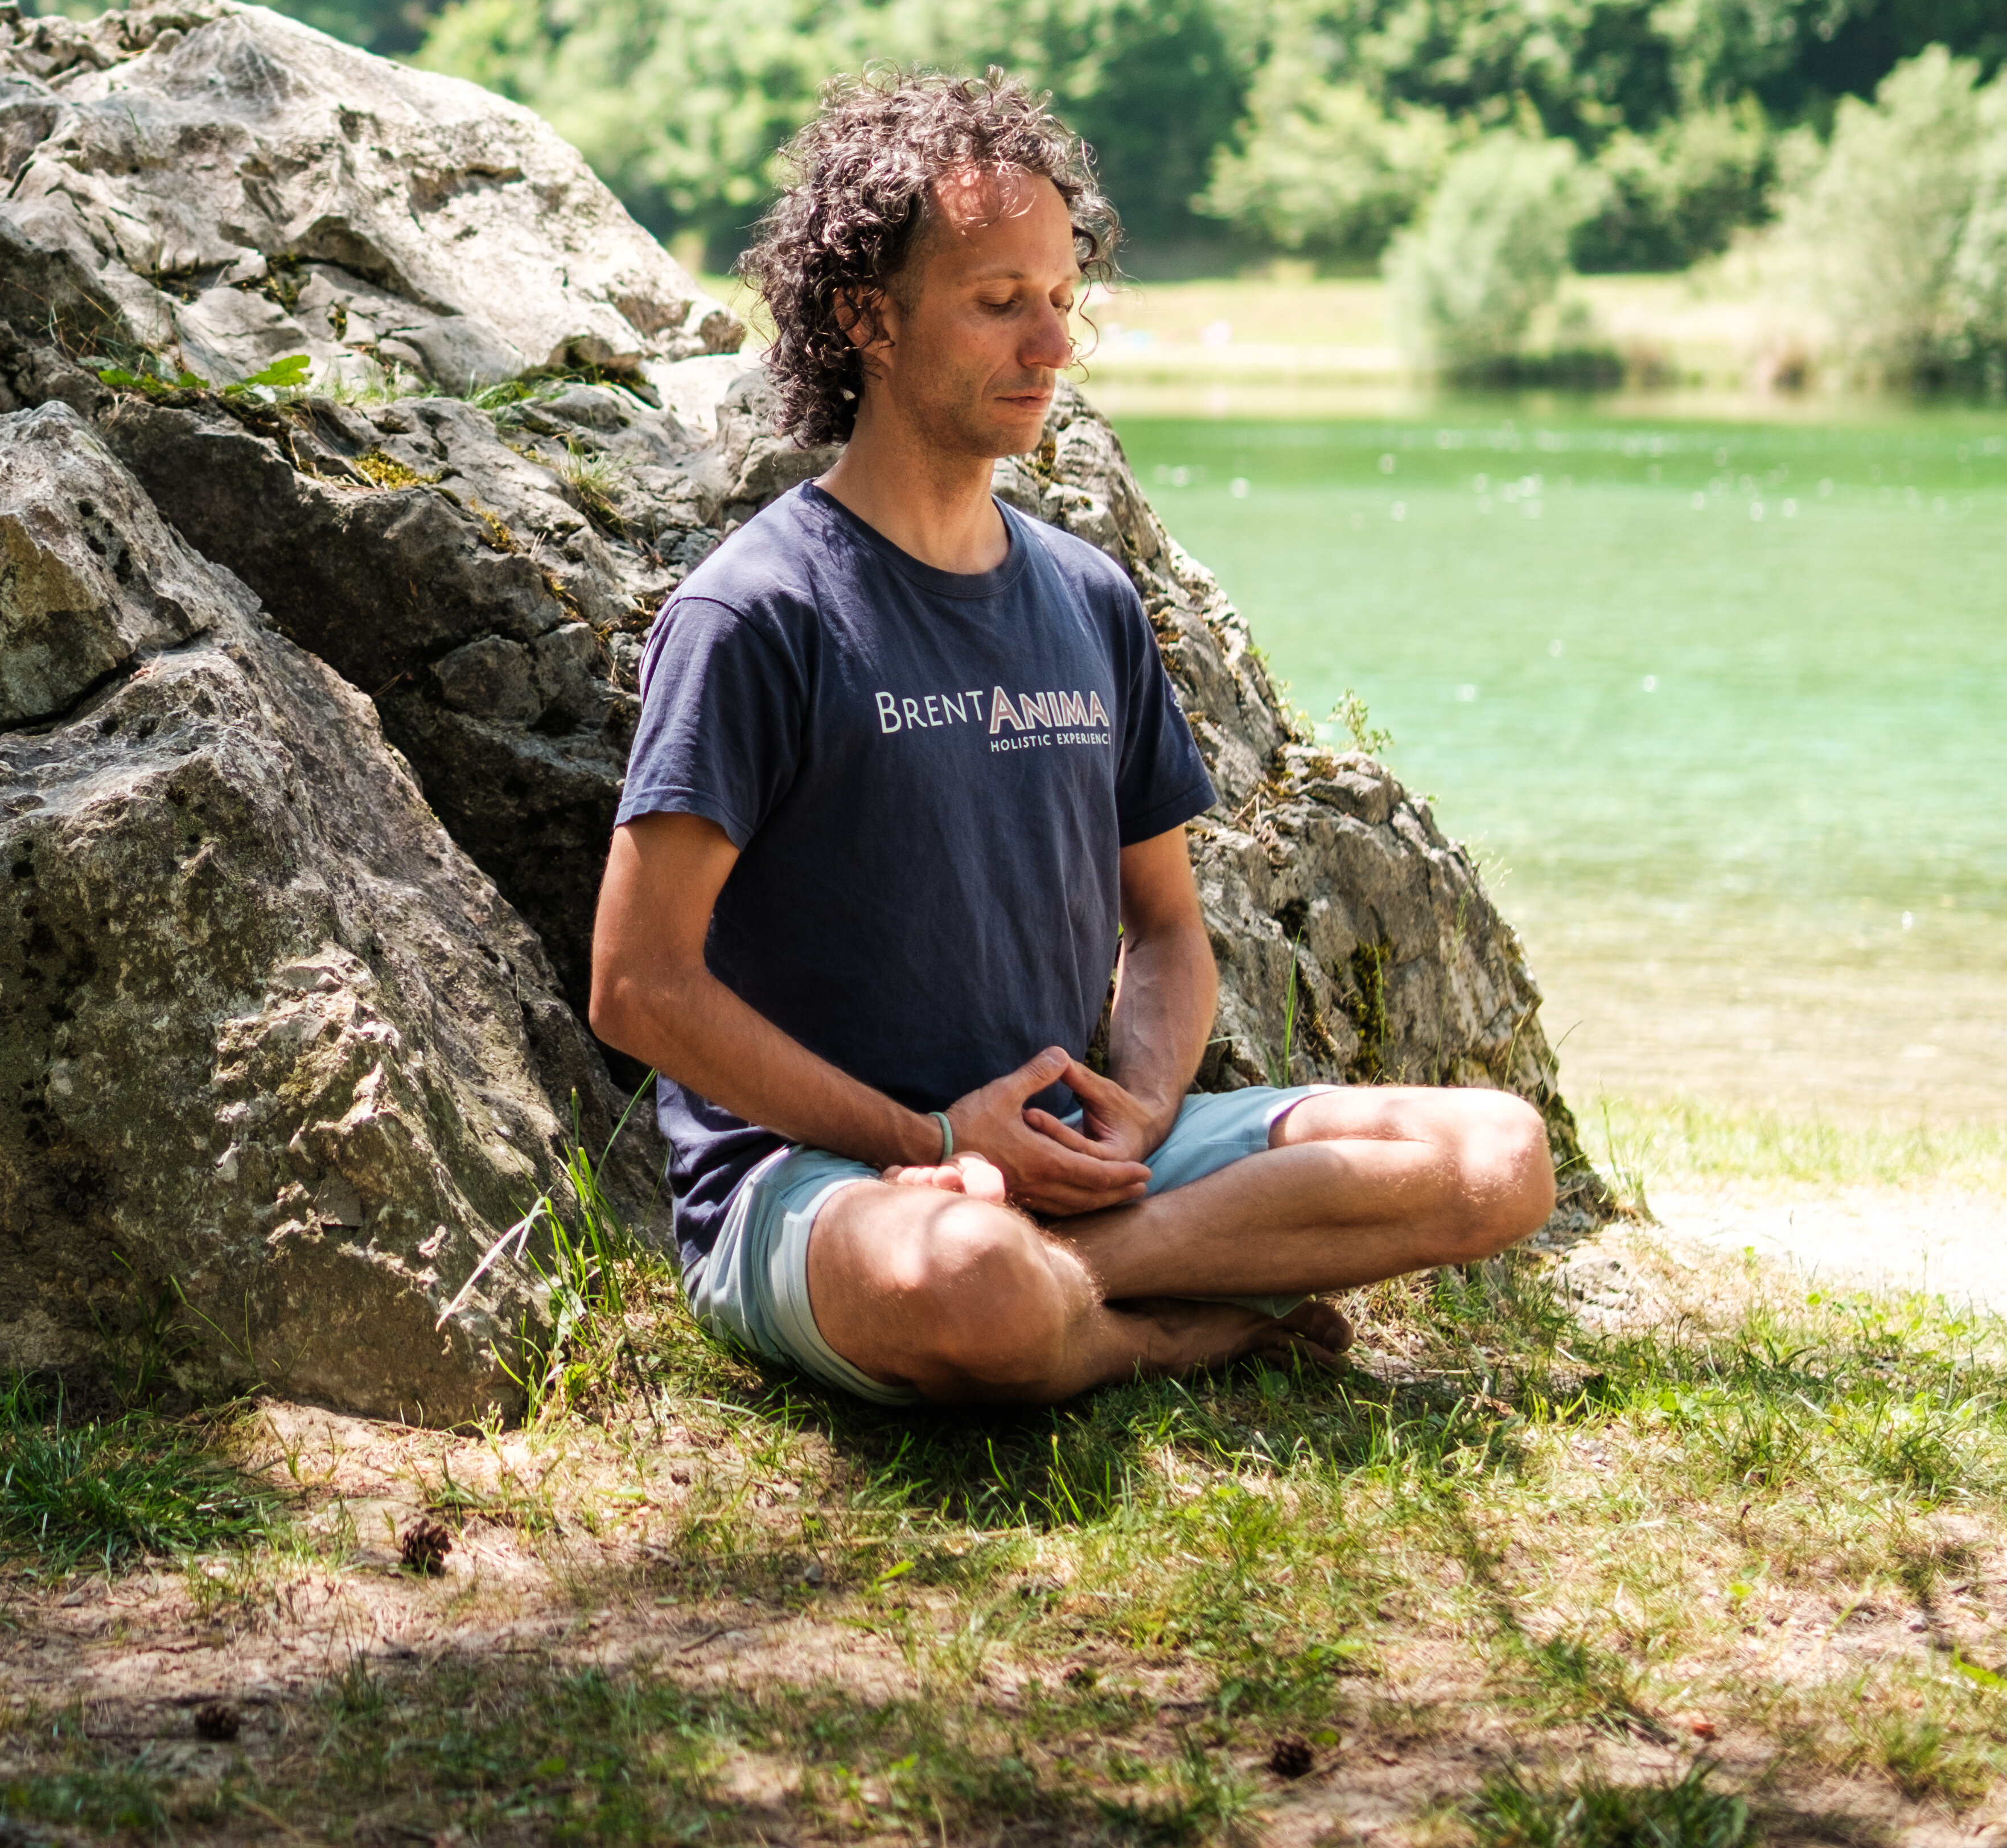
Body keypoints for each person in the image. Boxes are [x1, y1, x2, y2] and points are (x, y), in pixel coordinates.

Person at [586, 75, 1554, 1404]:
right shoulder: (757, 612)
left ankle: (1087, 1275)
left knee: (1498, 1155)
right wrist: (925, 1134)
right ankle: (1171, 1325)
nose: (1052, 346)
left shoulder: (1088, 598)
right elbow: (638, 987)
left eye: (1061, 299)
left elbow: (1162, 928)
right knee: (968, 1283)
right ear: (869, 315)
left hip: (1068, 1155)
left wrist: (1144, 1107)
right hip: (827, 1188)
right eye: (1000, 303)